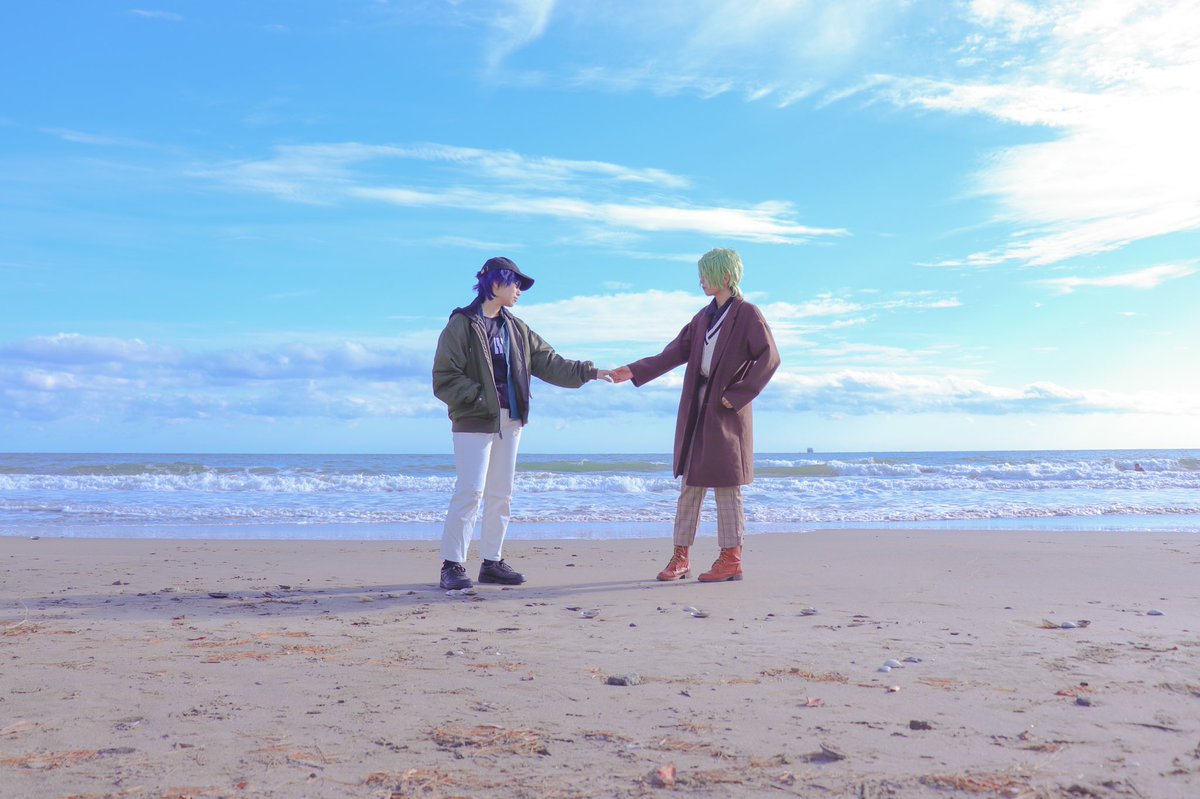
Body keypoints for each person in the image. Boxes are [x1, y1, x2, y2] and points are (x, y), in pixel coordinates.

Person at [433, 256, 613, 590]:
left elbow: (551, 362)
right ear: (495, 283)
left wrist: (591, 372)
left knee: (501, 494)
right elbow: (444, 378)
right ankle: (452, 565)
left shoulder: (516, 329)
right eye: (515, 283)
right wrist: (480, 397)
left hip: (511, 420)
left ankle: (492, 562)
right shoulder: (462, 324)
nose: (519, 290)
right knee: (470, 491)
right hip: (475, 419)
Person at [611, 248, 779, 582]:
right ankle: (681, 557)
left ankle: (731, 559)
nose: (701, 280)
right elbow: (674, 352)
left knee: (727, 486)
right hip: (697, 409)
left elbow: (769, 357)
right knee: (690, 484)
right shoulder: (702, 317)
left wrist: (737, 395)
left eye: (706, 274)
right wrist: (633, 370)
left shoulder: (747, 313)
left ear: (725, 276)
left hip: (726, 410)